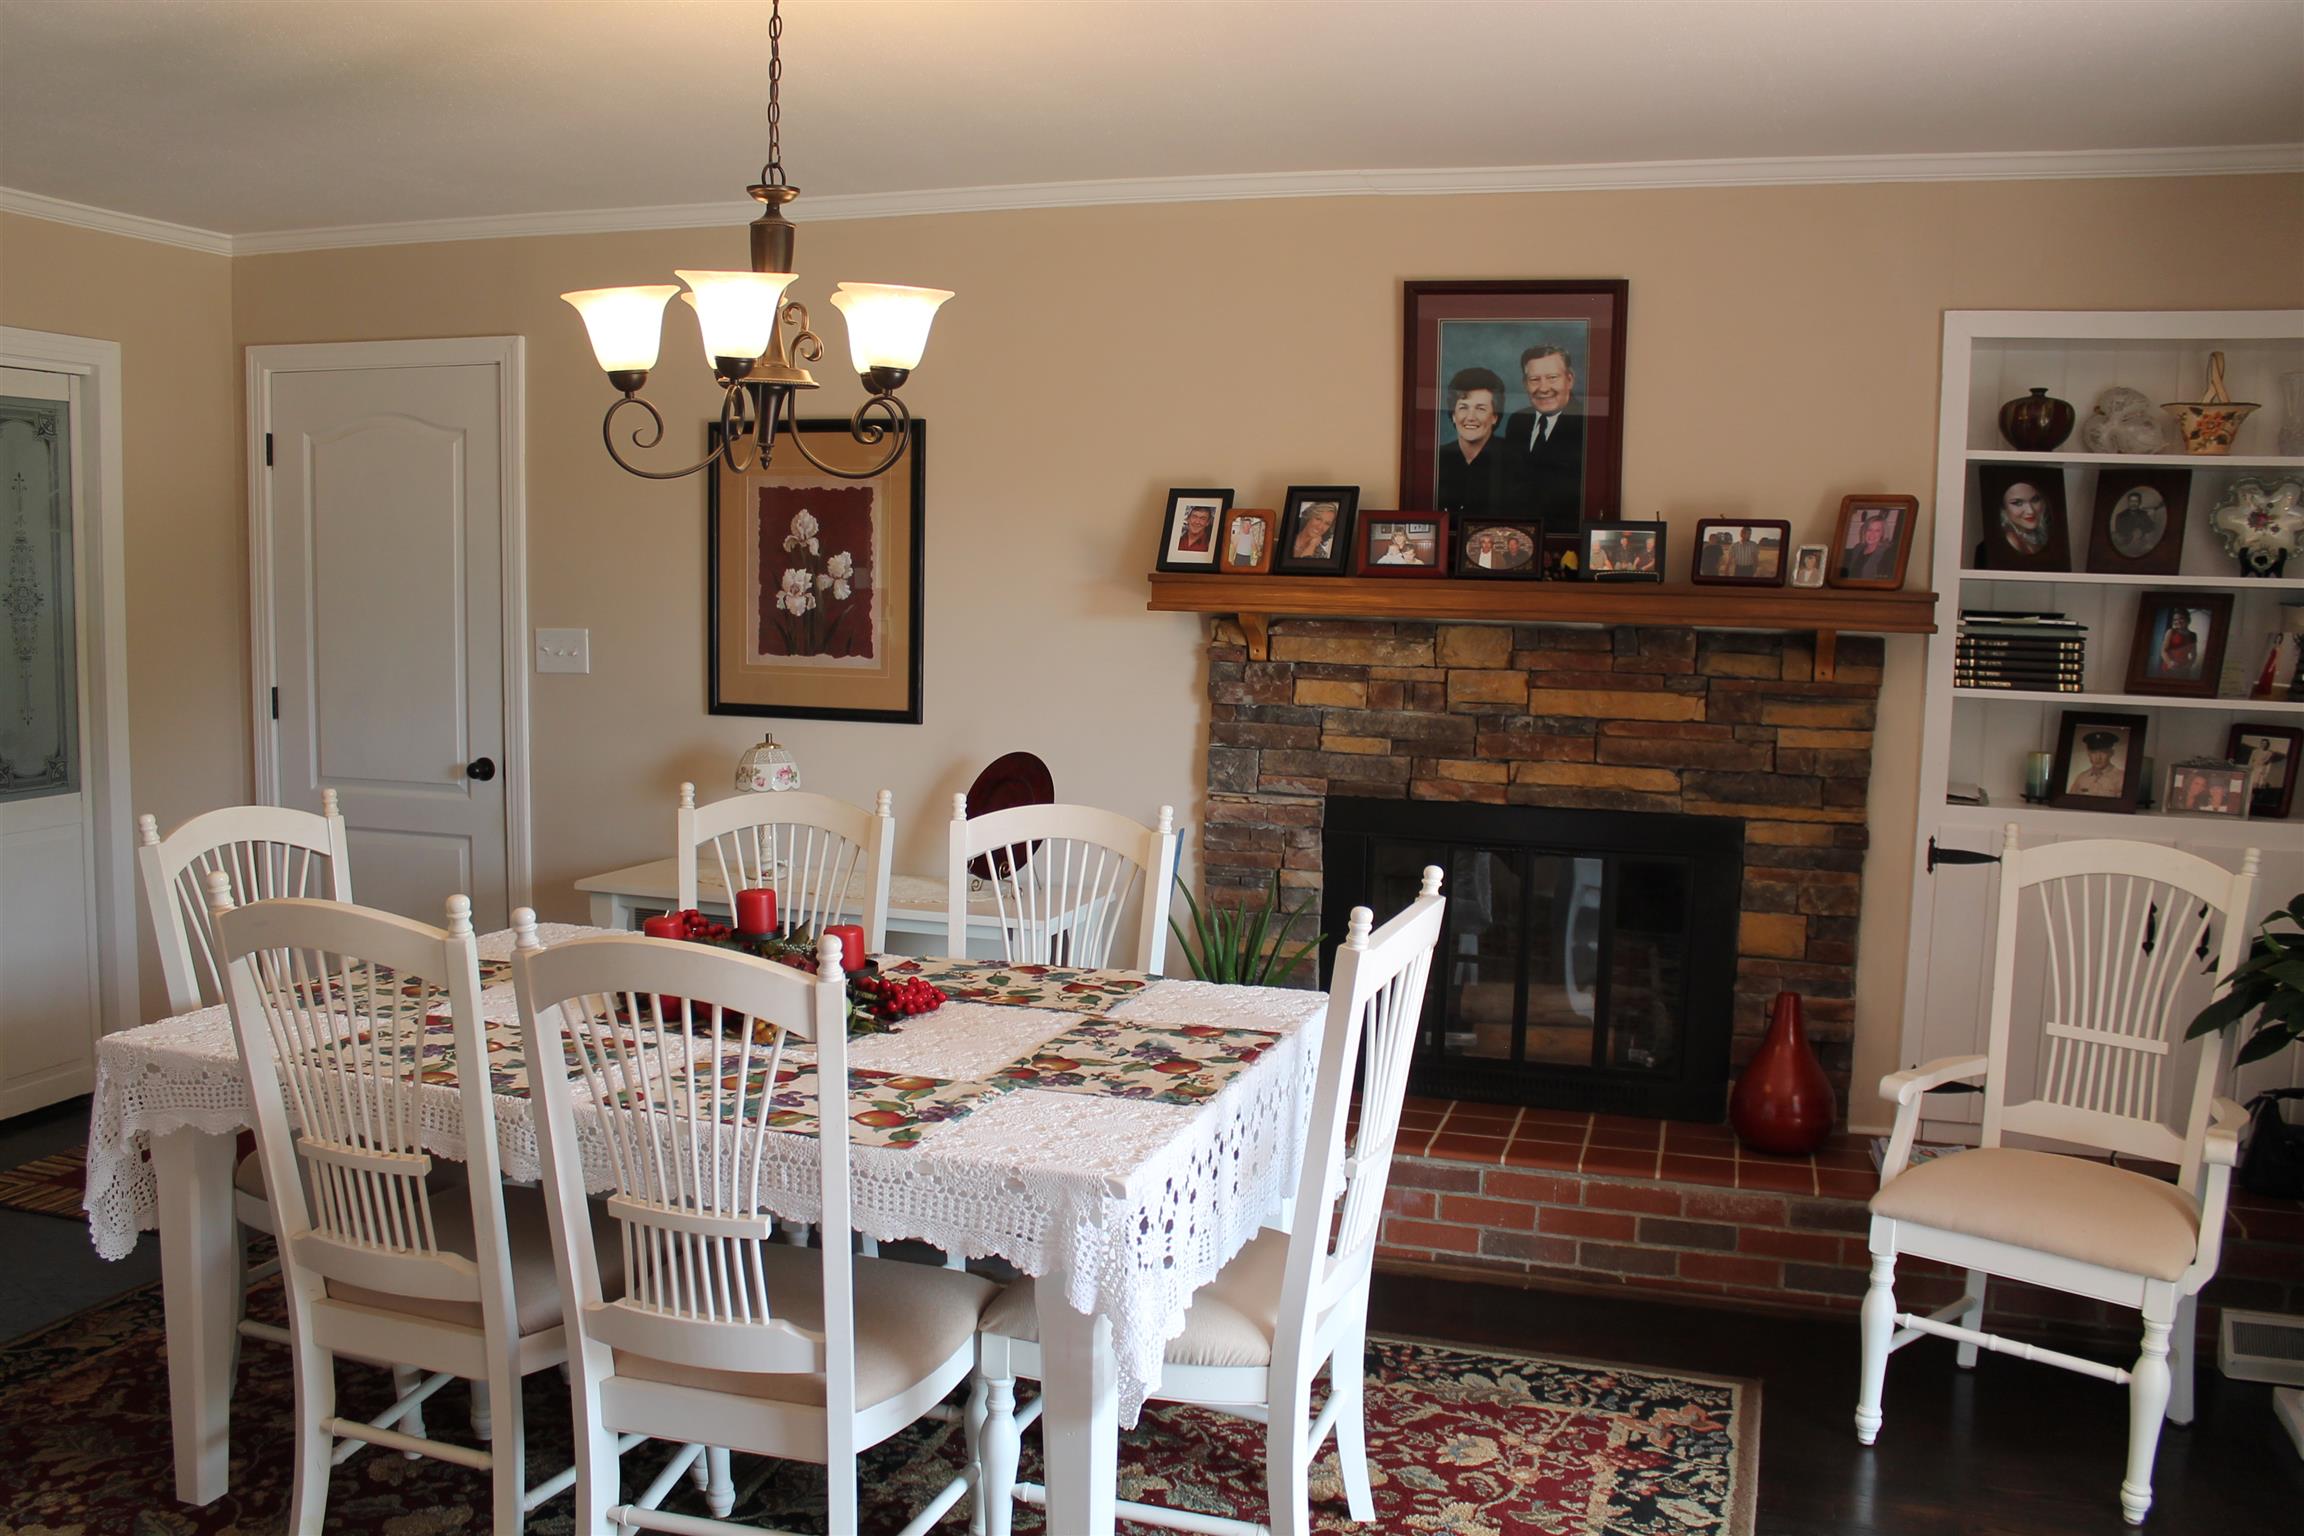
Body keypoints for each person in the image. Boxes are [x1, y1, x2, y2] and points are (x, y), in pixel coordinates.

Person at [1504, 344, 1586, 536]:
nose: (1543, 388)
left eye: (1552, 378)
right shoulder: (1517, 422)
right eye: (1534, 379)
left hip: (1565, 537)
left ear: (1570, 379)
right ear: (1525, 383)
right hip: (1517, 536)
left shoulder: (1587, 425)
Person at [1436, 367, 1514, 520]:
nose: (1470, 417)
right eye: (1463, 407)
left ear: (1495, 417)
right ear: (1453, 415)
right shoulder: (1438, 459)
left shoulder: (1515, 461)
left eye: (1481, 408)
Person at [1997, 481, 2052, 558]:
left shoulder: (2040, 536)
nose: (2030, 511)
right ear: (2004, 508)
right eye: (2017, 503)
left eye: (2035, 500)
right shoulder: (2012, 540)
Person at [1842, 510, 1900, 581]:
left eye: (1877, 531)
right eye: (1869, 529)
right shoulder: (1858, 548)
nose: (1872, 534)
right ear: (1864, 531)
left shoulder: (1888, 553)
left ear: (1883, 533)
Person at [2067, 730, 2125, 797]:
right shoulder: (2081, 778)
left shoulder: (2121, 778)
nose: (2098, 758)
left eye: (2103, 752)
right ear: (2088, 753)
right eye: (2093, 752)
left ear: (2111, 753)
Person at [2110, 488, 2164, 559]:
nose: (2133, 503)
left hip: (2142, 544)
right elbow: (2119, 532)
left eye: (2136, 501)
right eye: (2131, 501)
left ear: (2139, 502)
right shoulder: (2120, 516)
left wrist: (2142, 530)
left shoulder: (2144, 513)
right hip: (2126, 545)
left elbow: (2152, 526)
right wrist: (2131, 535)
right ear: (2128, 502)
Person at [2157, 608, 2201, 677]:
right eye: (2175, 620)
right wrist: (2170, 662)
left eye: (2181, 618)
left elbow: (2194, 654)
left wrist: (2189, 665)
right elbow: (2163, 651)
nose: (2178, 621)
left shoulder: (2193, 635)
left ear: (2188, 619)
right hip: (2169, 668)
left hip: (2184, 669)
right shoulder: (2171, 632)